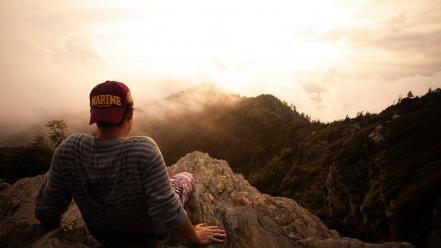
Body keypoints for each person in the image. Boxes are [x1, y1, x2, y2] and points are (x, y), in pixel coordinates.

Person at [35, 81, 226, 246]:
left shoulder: (69, 149)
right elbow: (166, 208)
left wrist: (57, 236)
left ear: (94, 116)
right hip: (151, 232)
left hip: (105, 237)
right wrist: (194, 236)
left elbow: (47, 208)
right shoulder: (143, 149)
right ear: (129, 114)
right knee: (186, 177)